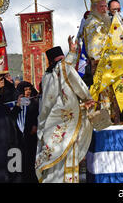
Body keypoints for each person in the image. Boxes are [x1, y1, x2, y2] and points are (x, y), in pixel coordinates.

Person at [35, 40, 95, 183]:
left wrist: (72, 52)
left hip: (49, 122)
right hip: (65, 121)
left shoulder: (47, 76)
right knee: (66, 152)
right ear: (61, 58)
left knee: (53, 154)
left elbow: (65, 68)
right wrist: (87, 99)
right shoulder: (63, 69)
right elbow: (76, 81)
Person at [15, 80, 39, 183]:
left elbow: (37, 114)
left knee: (31, 159)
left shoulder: (34, 101)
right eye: (25, 90)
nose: (28, 91)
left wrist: (35, 125)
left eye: (29, 89)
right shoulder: (17, 103)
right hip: (20, 135)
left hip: (31, 135)